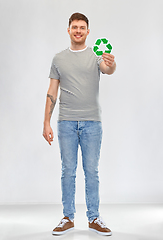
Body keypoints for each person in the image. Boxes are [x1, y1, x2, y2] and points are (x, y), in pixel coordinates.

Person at [43, 12, 116, 236]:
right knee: (68, 171)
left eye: (82, 27)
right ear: (68, 30)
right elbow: (52, 91)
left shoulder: (96, 56)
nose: (78, 31)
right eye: (74, 27)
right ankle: (68, 217)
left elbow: (108, 70)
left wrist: (111, 63)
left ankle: (94, 218)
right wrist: (46, 121)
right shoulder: (58, 59)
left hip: (92, 122)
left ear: (87, 31)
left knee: (91, 171)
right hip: (65, 122)